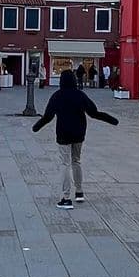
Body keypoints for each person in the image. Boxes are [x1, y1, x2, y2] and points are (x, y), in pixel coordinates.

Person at [32, 67, 118, 207]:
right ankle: (79, 191)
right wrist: (111, 120)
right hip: (79, 133)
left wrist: (36, 127)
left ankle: (66, 197)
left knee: (65, 163)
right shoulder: (80, 95)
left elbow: (48, 116)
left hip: (63, 133)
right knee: (76, 161)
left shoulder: (57, 96)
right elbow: (94, 113)